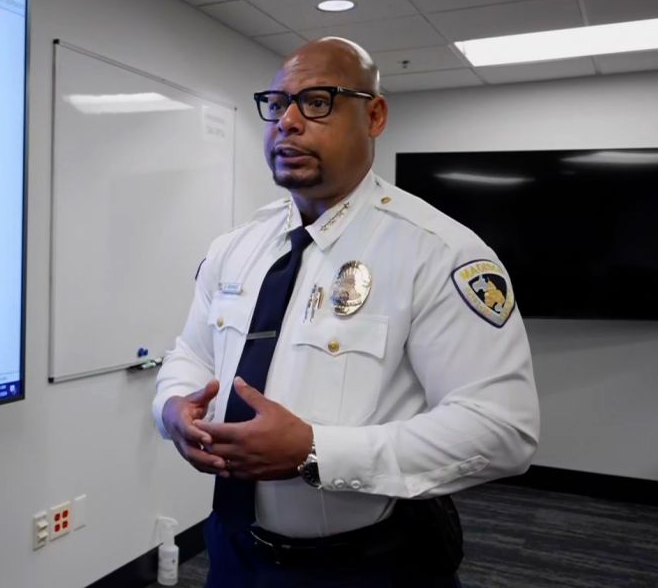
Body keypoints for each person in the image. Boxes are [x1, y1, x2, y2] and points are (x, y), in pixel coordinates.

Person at [152, 38, 540, 588]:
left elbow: (502, 430)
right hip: (235, 548)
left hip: (371, 563)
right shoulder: (236, 247)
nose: (287, 121)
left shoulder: (441, 252)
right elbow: (191, 353)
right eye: (277, 103)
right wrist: (171, 410)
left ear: (374, 115)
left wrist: (316, 452)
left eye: (317, 101)